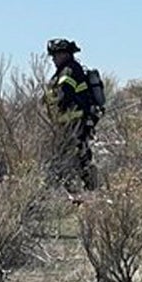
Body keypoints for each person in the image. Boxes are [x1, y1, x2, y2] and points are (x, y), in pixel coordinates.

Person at [45, 38, 97, 188]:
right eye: (52, 56)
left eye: (56, 55)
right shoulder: (64, 70)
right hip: (68, 121)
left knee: (79, 152)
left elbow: (64, 94)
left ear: (65, 54)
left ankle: (90, 186)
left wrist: (54, 104)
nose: (54, 59)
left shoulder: (69, 70)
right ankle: (71, 184)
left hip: (75, 120)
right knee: (71, 152)